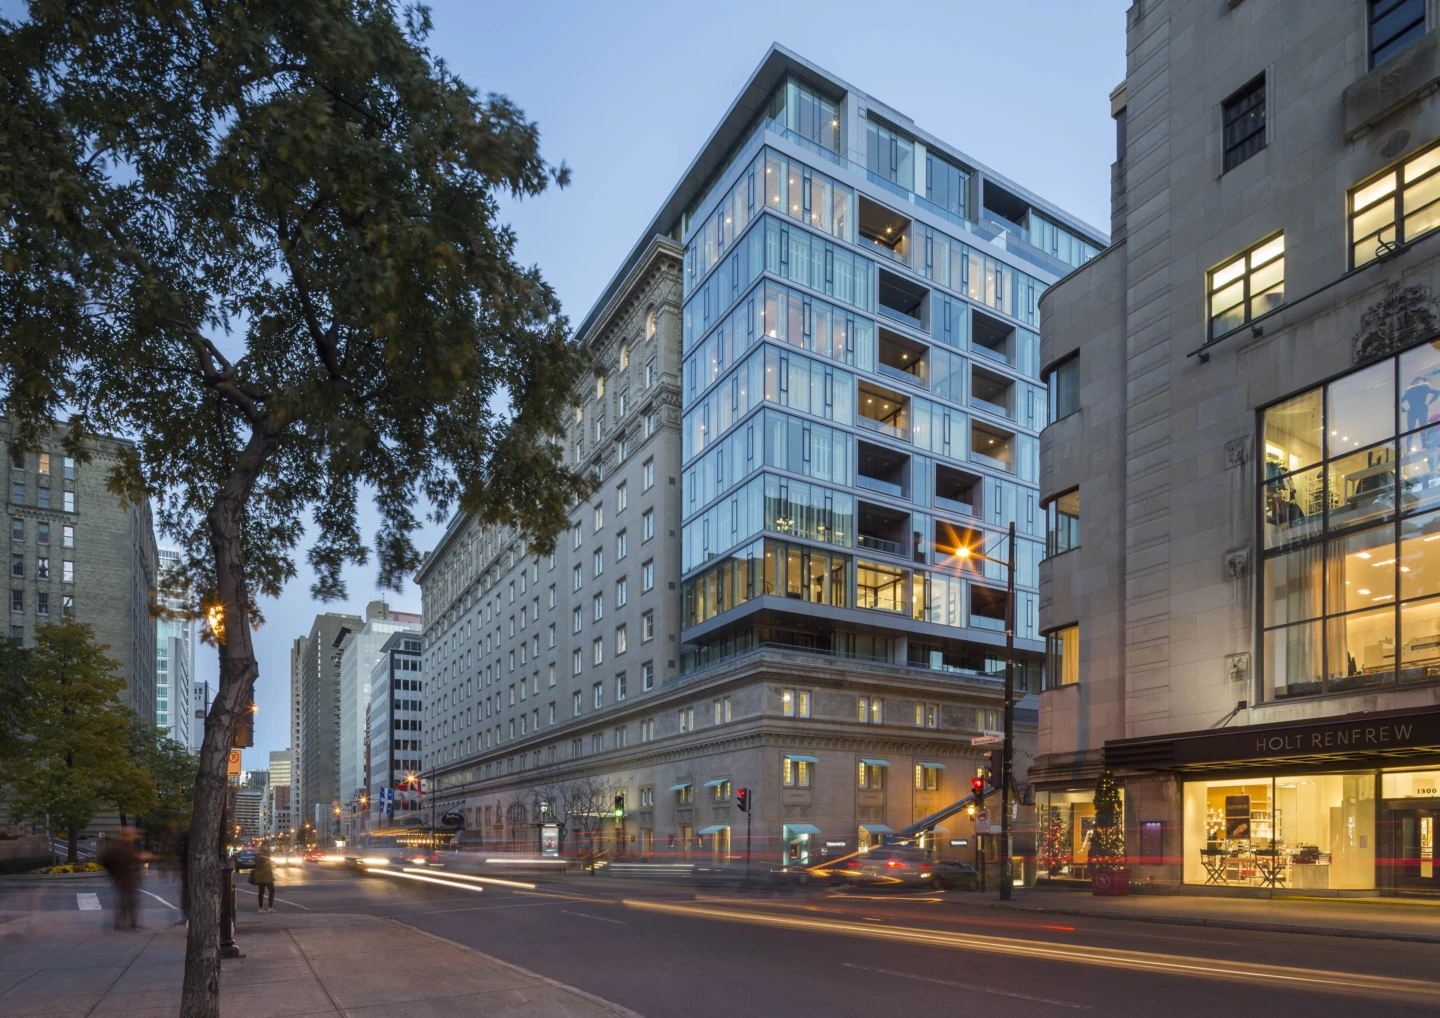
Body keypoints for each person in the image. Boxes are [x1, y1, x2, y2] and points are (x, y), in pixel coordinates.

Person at [99, 828, 146, 931]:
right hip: (124, 877)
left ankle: (128, 924)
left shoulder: (126, 845)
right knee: (127, 901)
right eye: (134, 834)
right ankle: (126, 924)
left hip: (127, 877)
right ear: (128, 835)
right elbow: (105, 859)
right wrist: (115, 873)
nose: (136, 836)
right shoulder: (119, 846)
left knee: (129, 901)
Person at [249, 843, 277, 912]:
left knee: (261, 891)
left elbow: (256, 864)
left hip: (260, 876)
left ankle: (261, 908)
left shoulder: (258, 855)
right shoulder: (264, 856)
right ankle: (269, 907)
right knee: (272, 890)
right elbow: (266, 864)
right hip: (266, 876)